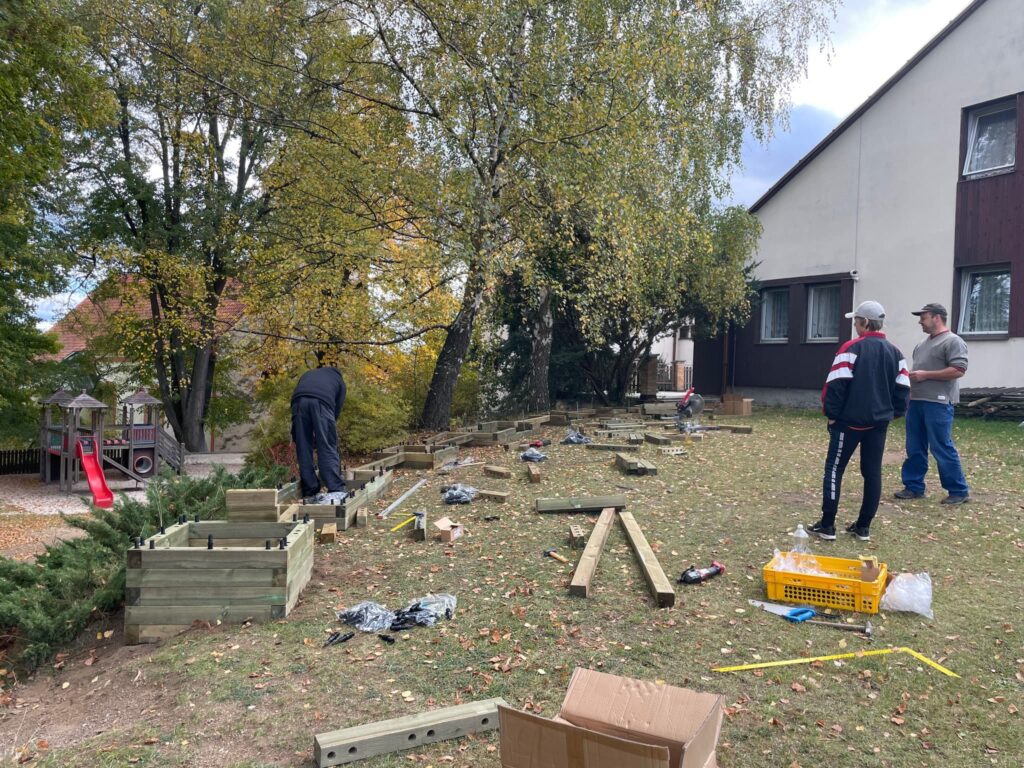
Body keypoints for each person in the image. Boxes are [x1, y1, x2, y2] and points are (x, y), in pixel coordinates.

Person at [809, 300, 910, 542]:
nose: (854, 325)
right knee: (872, 473)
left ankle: (827, 525)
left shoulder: (851, 348)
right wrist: (893, 413)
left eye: (856, 321)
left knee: (834, 469)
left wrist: (832, 415)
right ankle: (863, 527)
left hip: (848, 423)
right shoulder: (896, 353)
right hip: (878, 425)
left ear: (865, 322)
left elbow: (835, 385)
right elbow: (903, 389)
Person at [895, 303, 970, 504]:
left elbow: (959, 370)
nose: (920, 321)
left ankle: (958, 491)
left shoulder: (953, 341)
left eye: (923, 317)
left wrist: (925, 375)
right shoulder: (922, 344)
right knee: (914, 446)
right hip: (916, 401)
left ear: (937, 317)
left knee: (941, 446)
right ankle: (913, 487)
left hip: (938, 403)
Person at [291, 363, 347, 504]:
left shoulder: (309, 374)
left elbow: (299, 393)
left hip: (298, 402)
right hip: (322, 403)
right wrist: (324, 434)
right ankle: (336, 489)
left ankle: (310, 490)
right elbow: (335, 412)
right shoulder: (339, 381)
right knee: (327, 445)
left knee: (303, 447)